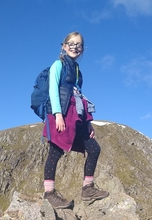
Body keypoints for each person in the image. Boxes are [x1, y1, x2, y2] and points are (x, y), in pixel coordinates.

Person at [42, 32, 109, 209]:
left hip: (76, 117)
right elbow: (53, 90)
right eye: (71, 44)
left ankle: (87, 188)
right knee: (55, 152)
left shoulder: (78, 71)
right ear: (63, 46)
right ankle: (49, 193)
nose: (75, 47)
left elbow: (79, 98)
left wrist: (88, 123)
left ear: (82, 49)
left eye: (78, 45)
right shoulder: (58, 65)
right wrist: (57, 115)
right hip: (61, 115)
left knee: (93, 148)